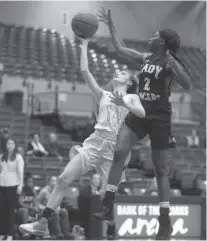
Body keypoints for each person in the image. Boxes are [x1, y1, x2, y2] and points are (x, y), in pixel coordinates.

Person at [19, 36, 145, 239]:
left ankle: (112, 229)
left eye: (121, 72)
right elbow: (85, 72)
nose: (117, 73)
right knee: (62, 179)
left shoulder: (132, 97)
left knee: (105, 197)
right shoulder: (103, 94)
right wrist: (85, 45)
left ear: (130, 81)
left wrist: (124, 102)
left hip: (115, 149)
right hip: (95, 142)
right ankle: (42, 223)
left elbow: (141, 113)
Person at [93, 8, 192, 240]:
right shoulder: (146, 58)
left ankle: (165, 221)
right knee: (118, 152)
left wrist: (173, 63)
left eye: (154, 36)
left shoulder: (170, 62)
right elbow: (120, 49)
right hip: (139, 111)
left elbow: (187, 84)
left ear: (163, 43)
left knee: (160, 169)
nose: (149, 38)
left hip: (159, 117)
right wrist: (112, 26)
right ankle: (108, 203)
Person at [0, 139, 24, 240]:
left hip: (13, 185)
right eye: (8, 144)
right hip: (2, 185)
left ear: (15, 145)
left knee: (10, 210)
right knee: (2, 210)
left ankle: (10, 234)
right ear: (5, 145)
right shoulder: (1, 156)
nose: (10, 145)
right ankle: (2, 232)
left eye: (12, 144)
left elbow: (20, 171)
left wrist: (20, 185)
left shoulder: (18, 157)